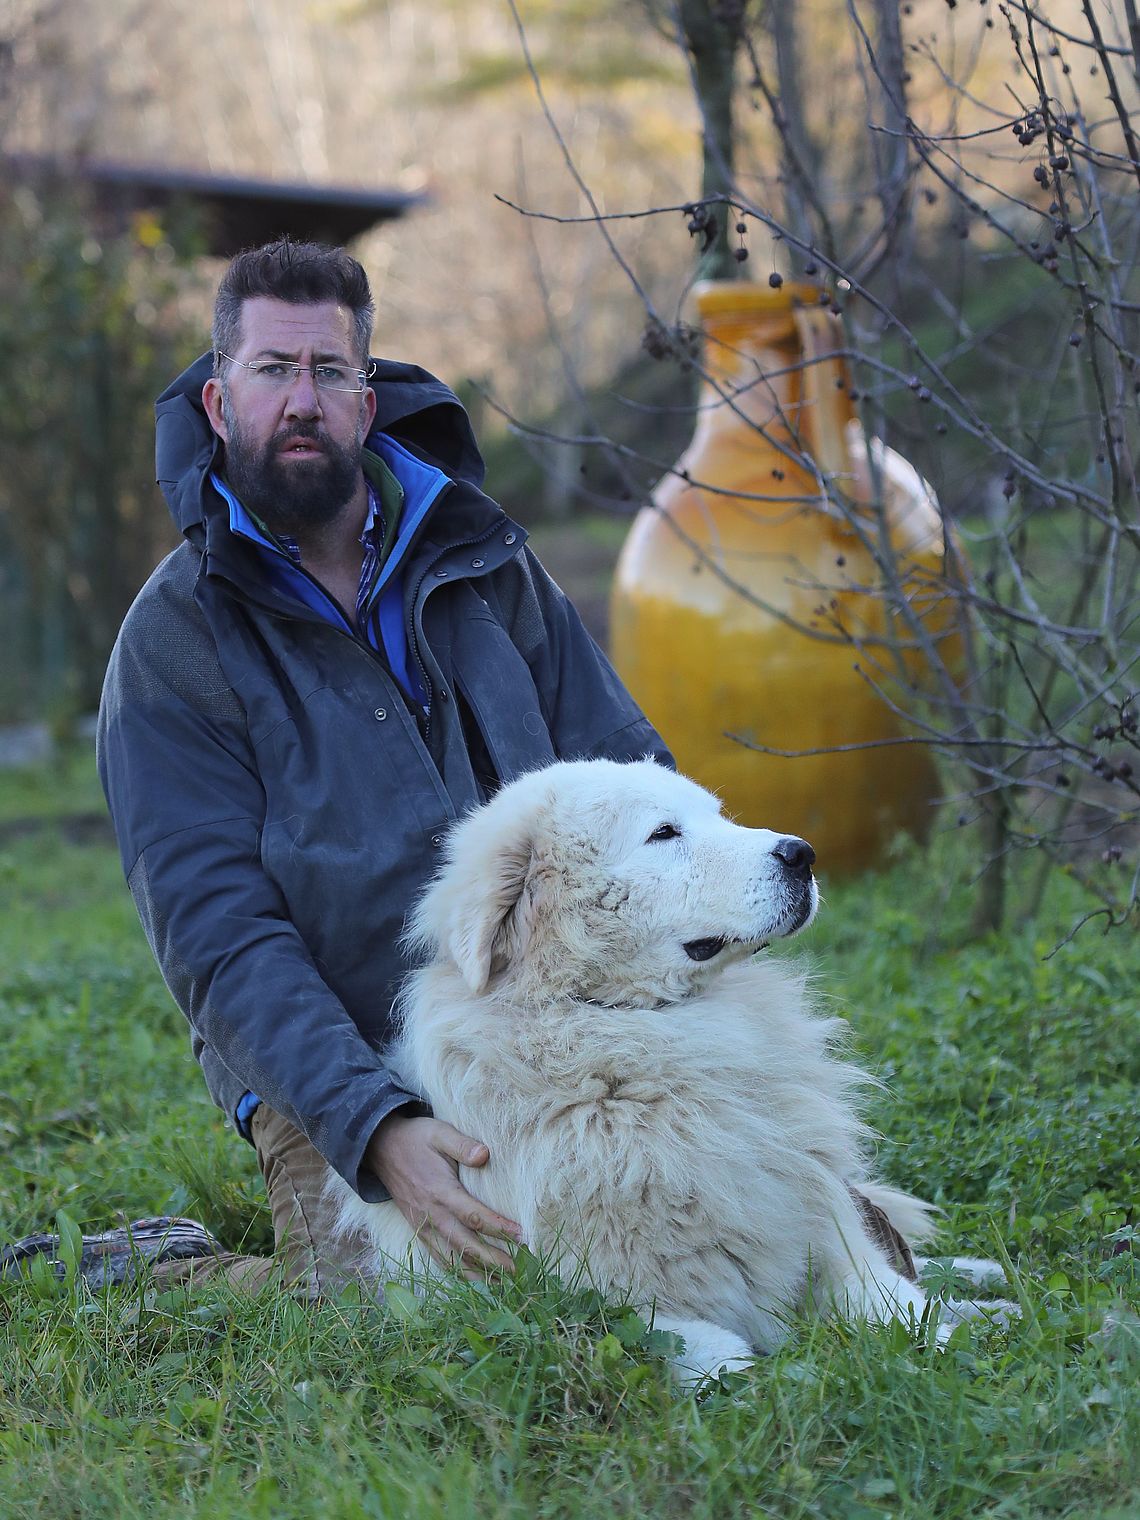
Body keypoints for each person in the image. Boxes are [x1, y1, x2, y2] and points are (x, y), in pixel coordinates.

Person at [1, 240, 671, 1295]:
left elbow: (633, 776)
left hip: (552, 1010)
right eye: (272, 370)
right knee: (389, 1299)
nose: (301, 400)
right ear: (220, 401)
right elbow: (220, 936)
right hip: (335, 1049)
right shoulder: (172, 642)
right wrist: (375, 1123)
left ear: (367, 397)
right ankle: (142, 1269)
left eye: (328, 370)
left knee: (671, 1218)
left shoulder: (485, 562)